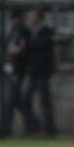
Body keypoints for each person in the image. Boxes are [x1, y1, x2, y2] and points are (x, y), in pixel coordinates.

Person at [20, 8, 57, 137]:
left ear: (38, 18)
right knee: (25, 100)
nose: (30, 19)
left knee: (45, 101)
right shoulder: (30, 33)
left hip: (42, 71)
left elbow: (40, 48)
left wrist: (26, 46)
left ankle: (49, 129)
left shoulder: (46, 32)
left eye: (32, 16)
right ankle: (35, 125)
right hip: (33, 71)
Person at [0, 11, 30, 138]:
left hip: (17, 72)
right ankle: (33, 123)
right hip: (9, 71)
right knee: (17, 102)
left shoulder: (25, 34)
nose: (13, 23)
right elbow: (6, 53)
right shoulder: (11, 35)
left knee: (10, 102)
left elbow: (24, 56)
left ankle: (5, 129)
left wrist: (17, 73)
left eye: (16, 20)